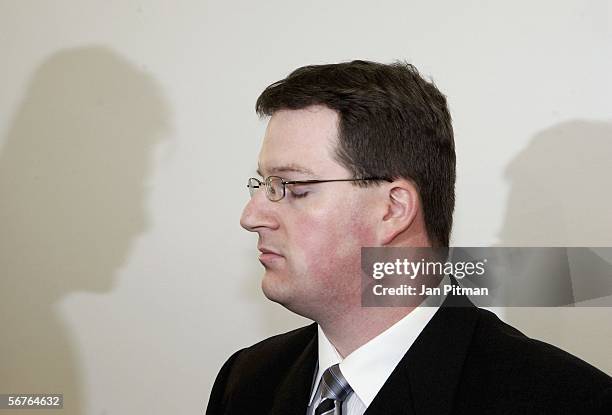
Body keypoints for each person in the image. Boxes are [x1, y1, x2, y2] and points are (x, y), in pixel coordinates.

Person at [206, 60, 612, 414]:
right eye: (262, 184)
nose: (252, 216)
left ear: (393, 209)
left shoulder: (566, 400)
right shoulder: (246, 382)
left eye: (291, 186)